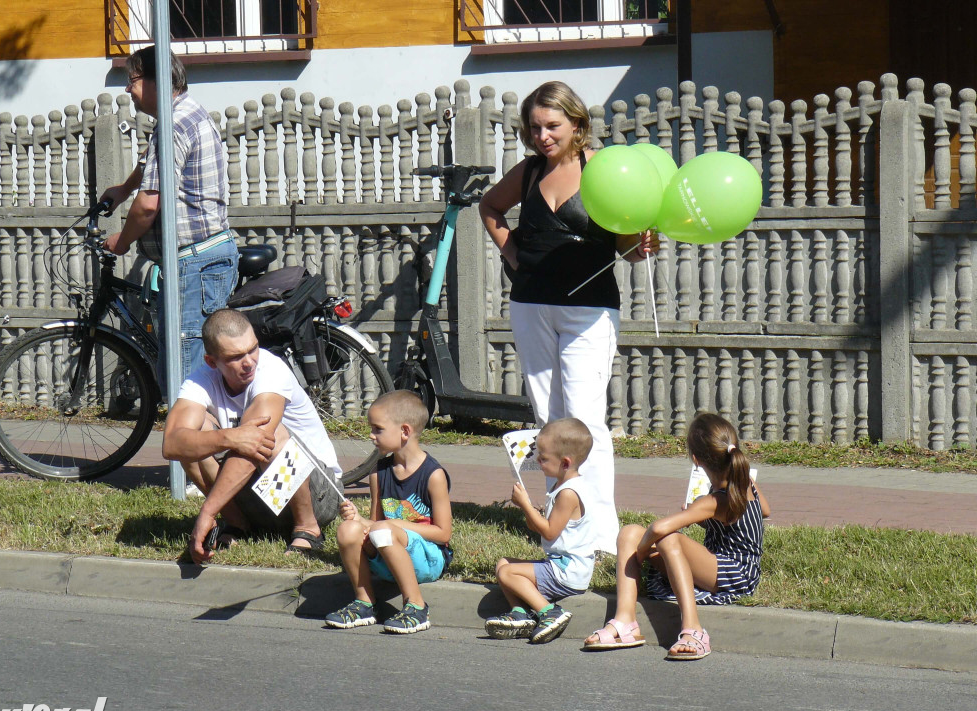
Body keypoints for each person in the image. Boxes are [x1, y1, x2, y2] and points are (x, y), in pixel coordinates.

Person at [478, 80, 657, 555]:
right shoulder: (532, 170)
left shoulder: (601, 168)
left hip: (589, 308)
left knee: (585, 419)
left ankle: (599, 531)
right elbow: (490, 206)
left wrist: (640, 246)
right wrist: (513, 255)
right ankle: (560, 519)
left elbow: (626, 242)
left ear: (577, 124)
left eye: (552, 126)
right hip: (531, 304)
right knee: (547, 415)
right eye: (535, 127)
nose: (542, 136)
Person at [583, 412, 771, 660]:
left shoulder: (714, 500)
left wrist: (641, 553)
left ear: (696, 460)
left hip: (737, 574)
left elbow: (660, 528)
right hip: (717, 565)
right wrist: (705, 517)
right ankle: (624, 620)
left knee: (670, 538)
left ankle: (694, 629)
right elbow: (764, 511)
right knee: (629, 533)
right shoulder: (743, 481)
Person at [101, 45, 238, 383]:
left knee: (188, 383)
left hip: (194, 264)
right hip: (202, 259)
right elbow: (154, 162)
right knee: (190, 374)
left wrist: (121, 242)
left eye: (131, 80)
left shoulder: (173, 124)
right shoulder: (186, 113)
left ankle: (203, 435)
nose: (127, 90)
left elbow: (149, 204)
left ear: (155, 80)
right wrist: (123, 188)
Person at [163, 309, 343, 564]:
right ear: (212, 362)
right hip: (263, 497)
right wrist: (230, 438)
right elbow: (171, 444)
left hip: (319, 496)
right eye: (236, 357)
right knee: (193, 437)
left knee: (270, 433)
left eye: (253, 348)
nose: (249, 361)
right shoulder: (201, 381)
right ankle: (238, 525)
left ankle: (308, 529)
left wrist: (207, 512)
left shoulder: (271, 371)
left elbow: (256, 444)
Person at [325, 390, 452, 635]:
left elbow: (443, 533)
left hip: (428, 560)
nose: (371, 436)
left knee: (384, 529)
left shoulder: (433, 475)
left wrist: (395, 525)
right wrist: (358, 519)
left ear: (404, 431)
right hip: (387, 551)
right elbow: (375, 523)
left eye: (378, 429)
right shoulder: (378, 472)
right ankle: (365, 603)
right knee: (347, 530)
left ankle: (416, 606)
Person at [484, 418, 598, 644]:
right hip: (560, 565)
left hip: (567, 571)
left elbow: (549, 533)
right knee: (504, 563)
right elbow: (540, 526)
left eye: (544, 458)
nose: (538, 460)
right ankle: (520, 614)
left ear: (565, 462)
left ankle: (550, 612)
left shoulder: (568, 493)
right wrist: (531, 512)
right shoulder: (562, 486)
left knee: (507, 574)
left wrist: (525, 505)